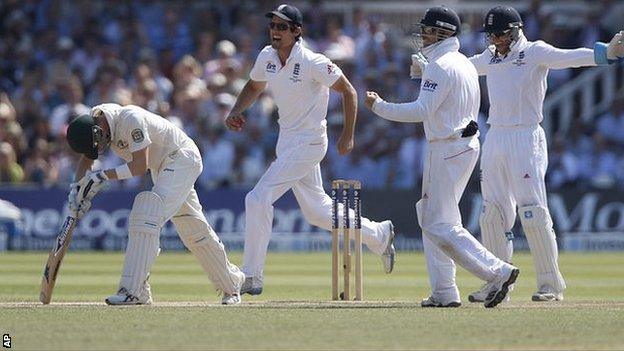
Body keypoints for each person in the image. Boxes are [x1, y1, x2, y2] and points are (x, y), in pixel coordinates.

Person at [225, 4, 396, 295]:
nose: (275, 32)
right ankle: (378, 234)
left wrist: (348, 136)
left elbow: (349, 92)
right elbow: (254, 87)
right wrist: (236, 110)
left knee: (257, 199)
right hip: (287, 142)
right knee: (317, 212)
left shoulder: (314, 61)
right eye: (273, 26)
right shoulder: (266, 56)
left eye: (282, 27)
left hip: (310, 142)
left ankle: (252, 276)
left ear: (296, 31)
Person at [364, 6, 519, 308]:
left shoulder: (441, 66)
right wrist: (423, 75)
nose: (422, 35)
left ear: (442, 33)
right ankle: (445, 292)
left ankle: (498, 271)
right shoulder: (460, 62)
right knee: (434, 217)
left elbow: (422, 111)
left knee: (437, 223)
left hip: (446, 148)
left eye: (427, 30)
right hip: (462, 145)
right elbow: (444, 101)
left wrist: (379, 106)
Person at [467, 6, 623, 303]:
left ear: (514, 31)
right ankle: (496, 281)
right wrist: (429, 66)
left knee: (533, 213)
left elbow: (568, 58)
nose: (494, 41)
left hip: (526, 136)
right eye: (490, 36)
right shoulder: (491, 55)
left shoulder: (534, 51)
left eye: (499, 35)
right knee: (492, 214)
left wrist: (604, 54)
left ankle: (550, 285)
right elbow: (464, 67)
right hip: (496, 135)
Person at [66, 103, 245, 305]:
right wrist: (77, 189)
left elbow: (139, 166)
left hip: (181, 157)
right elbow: (87, 160)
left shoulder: (130, 120)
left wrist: (101, 176)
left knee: (147, 214)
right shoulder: (94, 123)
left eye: (98, 141)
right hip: (162, 168)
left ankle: (134, 290)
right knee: (193, 230)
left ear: (98, 129)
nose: (100, 147)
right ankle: (232, 283)